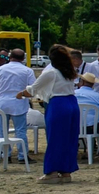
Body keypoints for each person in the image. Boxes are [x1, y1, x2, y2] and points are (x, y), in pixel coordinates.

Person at [19, 45, 80, 183]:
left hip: (58, 104)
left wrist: (22, 94)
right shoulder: (69, 72)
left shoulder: (51, 72)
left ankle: (51, 172)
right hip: (72, 103)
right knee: (69, 139)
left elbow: (33, 89)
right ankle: (66, 171)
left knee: (54, 139)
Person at [0, 48, 37, 162]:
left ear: (10, 57)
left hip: (1, 103)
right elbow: (33, 87)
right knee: (20, 130)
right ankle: (22, 155)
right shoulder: (27, 71)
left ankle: (5, 155)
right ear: (23, 59)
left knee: (2, 130)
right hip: (19, 103)